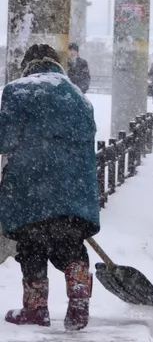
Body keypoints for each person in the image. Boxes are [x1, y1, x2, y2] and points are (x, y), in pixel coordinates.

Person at [0, 44, 99, 331]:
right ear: (58, 65)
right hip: (74, 189)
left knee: (32, 246)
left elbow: (5, 140)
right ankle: (79, 308)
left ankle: (35, 309)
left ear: (27, 65)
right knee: (70, 244)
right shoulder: (79, 97)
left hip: (32, 185)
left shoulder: (19, 91)